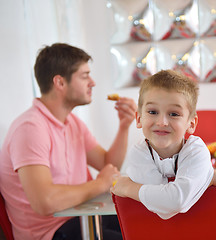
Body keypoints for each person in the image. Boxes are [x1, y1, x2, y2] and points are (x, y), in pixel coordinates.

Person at [0, 43, 137, 240]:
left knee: (145, 224)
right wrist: (100, 184)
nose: (93, 82)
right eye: (84, 76)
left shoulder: (72, 122)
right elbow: (44, 202)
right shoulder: (30, 129)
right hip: (51, 232)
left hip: (81, 216)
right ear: (60, 83)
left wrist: (124, 126)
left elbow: (109, 165)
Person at [111, 69, 216, 219]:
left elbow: (174, 201)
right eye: (152, 112)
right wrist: (206, 179)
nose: (162, 122)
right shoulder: (139, 153)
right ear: (139, 119)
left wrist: (127, 187)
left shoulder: (196, 150)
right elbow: (163, 207)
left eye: (174, 114)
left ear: (191, 123)